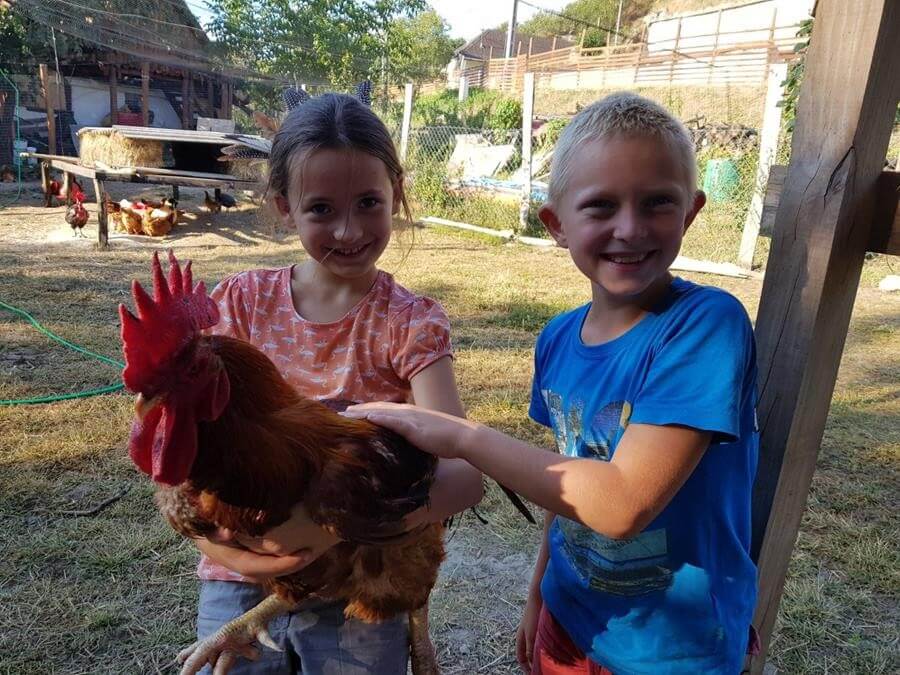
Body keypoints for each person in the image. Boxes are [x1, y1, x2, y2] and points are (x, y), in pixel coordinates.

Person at [343, 92, 759, 675]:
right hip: (570, 616)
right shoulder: (558, 338)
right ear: (557, 225)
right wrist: (540, 590)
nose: (630, 228)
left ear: (690, 212)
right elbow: (567, 480)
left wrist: (463, 437)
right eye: (601, 206)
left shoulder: (706, 326)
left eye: (658, 202)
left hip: (671, 649)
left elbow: (621, 504)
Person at [191, 89, 484, 674]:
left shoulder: (409, 322)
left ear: (396, 192)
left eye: (368, 202)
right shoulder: (241, 302)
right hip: (239, 571)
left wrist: (332, 528)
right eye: (321, 209)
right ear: (284, 206)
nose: (348, 230)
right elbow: (189, 463)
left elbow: (464, 477)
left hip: (360, 578)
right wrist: (226, 551)